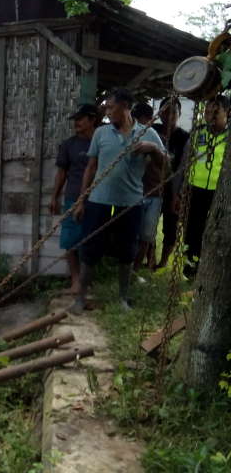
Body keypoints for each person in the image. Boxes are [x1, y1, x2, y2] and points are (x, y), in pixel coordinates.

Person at [73, 88, 166, 312]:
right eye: (106, 107)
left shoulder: (148, 134)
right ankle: (80, 299)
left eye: (110, 107)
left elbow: (165, 166)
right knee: (89, 252)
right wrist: (80, 200)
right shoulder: (101, 133)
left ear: (125, 107)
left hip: (131, 204)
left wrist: (153, 149)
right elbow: (91, 167)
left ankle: (123, 298)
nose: (106, 111)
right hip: (98, 201)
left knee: (127, 253)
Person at [49, 103, 98, 293]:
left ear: (92, 119)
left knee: (91, 240)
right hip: (71, 197)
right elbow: (61, 173)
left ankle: (88, 280)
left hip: (97, 199)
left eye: (80, 119)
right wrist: (54, 197)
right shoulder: (68, 145)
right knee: (69, 241)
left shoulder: (101, 141)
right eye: (75, 120)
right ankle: (76, 281)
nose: (76, 123)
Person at [181, 94, 229, 275]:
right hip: (196, 189)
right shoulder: (199, 132)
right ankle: (192, 261)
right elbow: (186, 161)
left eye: (215, 112)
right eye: (207, 112)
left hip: (219, 192)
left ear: (227, 113)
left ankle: (210, 264)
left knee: (216, 229)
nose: (210, 116)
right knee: (192, 227)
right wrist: (181, 189)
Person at [130, 101, 169, 271]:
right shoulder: (127, 133)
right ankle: (127, 267)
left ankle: (136, 269)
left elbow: (166, 165)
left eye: (141, 120)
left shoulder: (153, 136)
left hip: (153, 193)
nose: (138, 124)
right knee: (131, 233)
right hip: (134, 192)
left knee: (146, 235)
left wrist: (153, 150)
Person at [153, 97, 190, 269]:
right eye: (166, 111)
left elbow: (185, 166)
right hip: (151, 187)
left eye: (173, 112)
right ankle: (150, 259)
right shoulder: (152, 130)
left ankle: (163, 262)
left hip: (173, 189)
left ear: (179, 114)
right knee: (149, 226)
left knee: (171, 227)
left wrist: (179, 191)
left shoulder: (184, 137)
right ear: (160, 113)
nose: (169, 115)